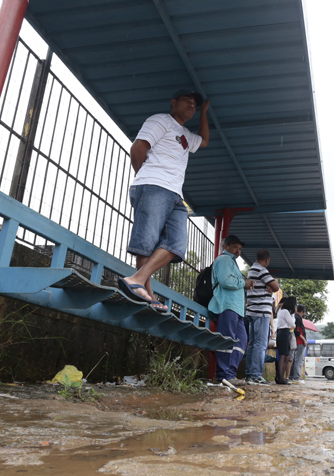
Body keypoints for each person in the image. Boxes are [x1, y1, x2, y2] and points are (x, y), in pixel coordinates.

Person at [117, 90, 210, 311]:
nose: (191, 105)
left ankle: (137, 281)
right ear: (173, 102)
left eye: (194, 104)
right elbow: (137, 148)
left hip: (176, 194)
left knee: (176, 245)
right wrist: (146, 178)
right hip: (154, 185)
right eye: (186, 101)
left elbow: (204, 141)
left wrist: (204, 112)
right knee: (146, 242)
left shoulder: (186, 134)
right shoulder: (160, 120)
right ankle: (147, 294)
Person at [208, 234, 253, 382]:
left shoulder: (233, 263)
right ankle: (223, 376)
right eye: (234, 247)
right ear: (225, 246)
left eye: (239, 248)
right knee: (227, 341)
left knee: (241, 341)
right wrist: (244, 283)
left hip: (237, 309)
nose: (238, 251)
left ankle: (230, 374)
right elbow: (225, 280)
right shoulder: (224, 259)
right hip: (227, 306)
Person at [243, 250, 280, 386]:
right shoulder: (261, 270)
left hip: (252, 312)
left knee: (253, 344)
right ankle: (256, 375)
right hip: (261, 312)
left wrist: (268, 287)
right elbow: (276, 287)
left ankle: (249, 374)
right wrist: (271, 286)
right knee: (260, 344)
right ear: (267, 260)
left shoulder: (252, 270)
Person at [275, 297, 297, 385]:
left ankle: (280, 376)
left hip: (282, 333)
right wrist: (293, 315)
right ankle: (281, 378)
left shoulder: (281, 311)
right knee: (283, 356)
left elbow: (291, 324)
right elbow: (292, 324)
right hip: (284, 333)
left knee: (286, 356)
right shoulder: (286, 311)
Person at [289, 304, 308, 383]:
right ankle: (296, 377)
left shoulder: (294, 317)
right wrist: (304, 340)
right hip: (299, 342)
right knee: (299, 360)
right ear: (303, 311)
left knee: (294, 359)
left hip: (295, 341)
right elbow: (298, 331)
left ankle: (291, 376)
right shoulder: (298, 319)